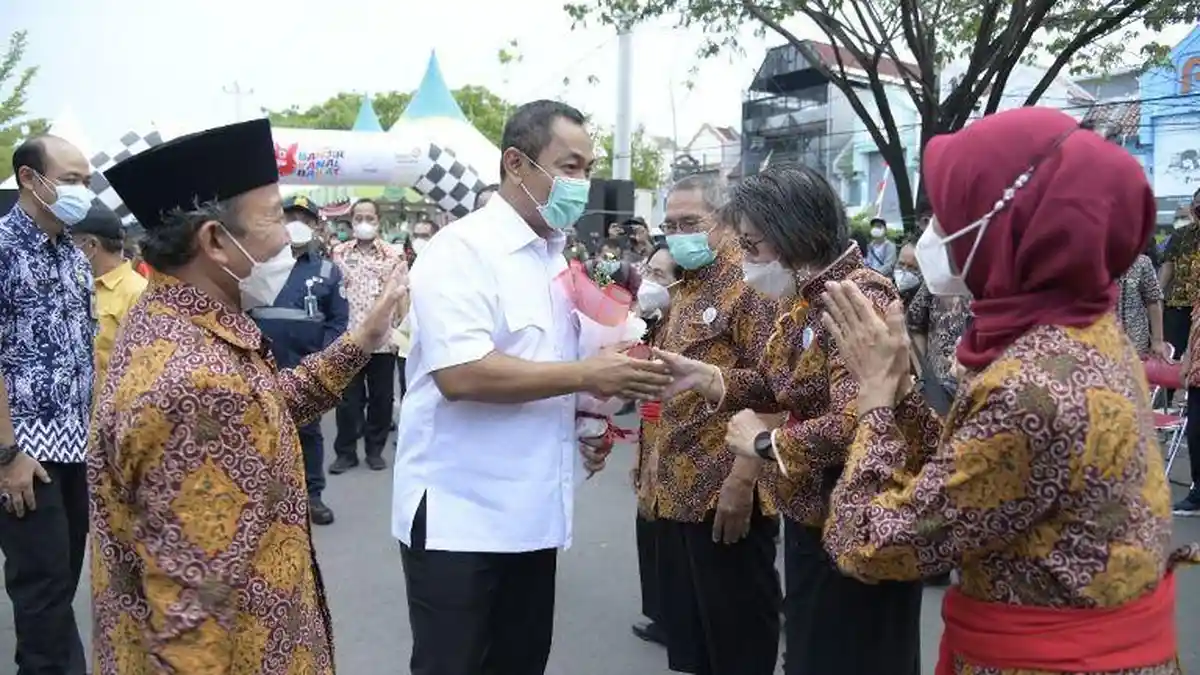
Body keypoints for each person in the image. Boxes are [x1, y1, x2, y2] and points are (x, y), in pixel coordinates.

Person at [811, 107, 1200, 674]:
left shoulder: (1029, 385)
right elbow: (975, 474)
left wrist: (873, 401)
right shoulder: (1084, 333)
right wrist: (899, 391)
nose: (931, 239)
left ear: (1008, 226)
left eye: (948, 217)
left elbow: (872, 544)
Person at [89, 118, 408, 674]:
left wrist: (363, 338)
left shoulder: (176, 323)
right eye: (272, 218)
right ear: (214, 240)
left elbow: (263, 415)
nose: (288, 236)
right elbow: (192, 623)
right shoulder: (196, 384)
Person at [391, 99, 673, 675]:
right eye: (569, 166)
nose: (582, 183)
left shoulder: (554, 259)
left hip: (532, 516)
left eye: (588, 168)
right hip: (459, 519)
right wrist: (587, 376)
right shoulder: (462, 251)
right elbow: (462, 374)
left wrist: (583, 415)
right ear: (516, 164)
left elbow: (549, 366)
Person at [654, 163, 919, 675]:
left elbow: (858, 418)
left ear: (791, 235)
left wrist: (765, 444)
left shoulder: (857, 297)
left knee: (845, 655)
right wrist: (711, 377)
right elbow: (786, 386)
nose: (747, 260)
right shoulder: (807, 298)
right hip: (815, 515)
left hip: (856, 514)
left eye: (752, 246)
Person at [649, 174, 782, 675]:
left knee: (738, 636)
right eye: (670, 224)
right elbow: (672, 386)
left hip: (726, 494)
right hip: (677, 492)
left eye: (691, 223)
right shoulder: (683, 288)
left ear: (725, 224)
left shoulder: (752, 287)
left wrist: (742, 479)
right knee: (693, 640)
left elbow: (777, 392)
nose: (678, 234)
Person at [0, 134, 95, 675]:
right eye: (71, 179)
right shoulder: (3, 248)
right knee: (42, 591)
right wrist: (7, 453)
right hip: (23, 452)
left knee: (60, 585)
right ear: (29, 180)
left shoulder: (73, 256)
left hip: (73, 446)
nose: (83, 190)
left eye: (86, 179)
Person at [249, 220, 350, 526]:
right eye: (290, 215)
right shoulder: (257, 266)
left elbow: (337, 320)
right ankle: (264, 500)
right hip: (260, 366)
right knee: (259, 431)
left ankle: (312, 496)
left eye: (304, 219)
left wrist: (321, 357)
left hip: (305, 366)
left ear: (316, 226)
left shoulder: (327, 271)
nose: (297, 225)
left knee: (307, 431)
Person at [630, 242, 681, 649]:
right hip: (651, 435)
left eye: (661, 275)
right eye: (649, 271)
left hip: (674, 446)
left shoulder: (686, 326)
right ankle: (661, 613)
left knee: (666, 536)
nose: (650, 281)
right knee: (648, 529)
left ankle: (673, 617)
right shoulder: (654, 322)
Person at [330, 198, 404, 472]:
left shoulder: (392, 255)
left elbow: (401, 295)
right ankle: (346, 452)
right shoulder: (339, 253)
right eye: (358, 217)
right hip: (348, 338)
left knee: (381, 399)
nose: (363, 222)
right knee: (348, 400)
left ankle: (375, 450)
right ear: (351, 222)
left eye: (369, 217)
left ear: (378, 220)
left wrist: (400, 330)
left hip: (383, 341)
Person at [72, 202, 149, 388]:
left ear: (91, 245)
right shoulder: (77, 287)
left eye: (68, 244)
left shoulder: (137, 293)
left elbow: (144, 370)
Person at [1114, 243, 1167, 359]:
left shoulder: (1142, 262)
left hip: (1135, 340)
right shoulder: (1093, 263)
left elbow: (1153, 300)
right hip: (1100, 339)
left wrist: (1158, 341)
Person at [893, 240, 922, 307]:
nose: (904, 270)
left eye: (911, 267)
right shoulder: (884, 288)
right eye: (901, 264)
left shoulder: (925, 301)